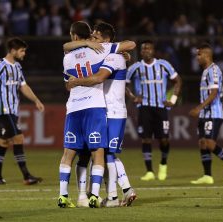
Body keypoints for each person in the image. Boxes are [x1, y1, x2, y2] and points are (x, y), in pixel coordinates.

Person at [58, 21, 135, 208]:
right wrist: (88, 44)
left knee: (102, 153)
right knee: (94, 153)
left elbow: (97, 77)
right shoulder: (102, 51)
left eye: (96, 35)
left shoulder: (70, 58)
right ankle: (90, 196)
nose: (93, 37)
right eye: (91, 35)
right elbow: (129, 45)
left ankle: (113, 195)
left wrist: (75, 82)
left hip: (103, 110)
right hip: (97, 108)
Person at [0, 37, 44, 185]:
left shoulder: (17, 67)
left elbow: (24, 86)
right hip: (3, 109)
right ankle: (27, 175)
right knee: (18, 138)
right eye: (22, 51)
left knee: (3, 142)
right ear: (13, 51)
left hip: (13, 110)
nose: (24, 54)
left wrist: (36, 100)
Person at [126, 40, 182, 181]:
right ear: (141, 51)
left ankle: (163, 164)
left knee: (163, 139)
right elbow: (123, 84)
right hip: (144, 107)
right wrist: (133, 97)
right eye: (144, 49)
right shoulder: (136, 68)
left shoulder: (163, 65)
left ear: (153, 51)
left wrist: (173, 100)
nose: (146, 51)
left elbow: (178, 80)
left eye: (149, 49)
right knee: (146, 139)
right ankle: (149, 171)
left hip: (161, 107)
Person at [189, 43, 223, 184]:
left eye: (199, 54)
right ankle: (207, 176)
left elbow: (214, 93)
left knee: (210, 143)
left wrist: (199, 108)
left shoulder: (214, 70)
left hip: (214, 112)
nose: (197, 57)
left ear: (206, 55)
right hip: (205, 114)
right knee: (202, 143)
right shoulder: (205, 71)